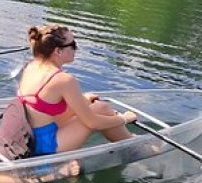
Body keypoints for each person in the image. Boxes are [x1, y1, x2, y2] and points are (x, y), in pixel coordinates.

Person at [18, 24, 136, 156]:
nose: (76, 49)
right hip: (47, 145)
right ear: (58, 51)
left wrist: (83, 100)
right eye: (73, 45)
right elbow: (92, 123)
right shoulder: (63, 79)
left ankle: (130, 142)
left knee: (101, 108)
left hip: (30, 136)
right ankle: (135, 148)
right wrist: (125, 119)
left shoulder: (31, 67)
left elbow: (45, 111)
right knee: (101, 114)